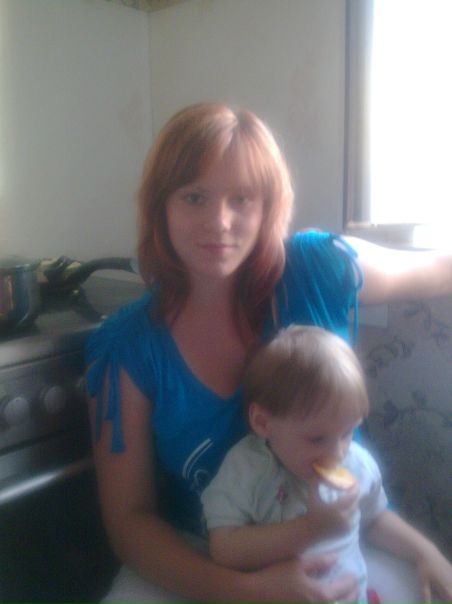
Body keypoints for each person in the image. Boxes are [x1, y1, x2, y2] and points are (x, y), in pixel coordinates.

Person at [86, 102, 452, 604]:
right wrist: (245, 591)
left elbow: (437, 270)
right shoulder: (127, 348)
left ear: (268, 206)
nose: (219, 221)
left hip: (341, 542)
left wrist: (425, 552)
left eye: (241, 199)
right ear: (160, 206)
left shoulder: (317, 269)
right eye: (194, 197)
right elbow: (130, 523)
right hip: (203, 560)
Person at [201, 324, 452, 604]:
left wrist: (427, 554)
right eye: (317, 439)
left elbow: (375, 519)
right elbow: (224, 549)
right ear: (263, 423)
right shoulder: (246, 469)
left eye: (347, 432)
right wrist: (313, 528)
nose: (337, 453)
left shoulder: (357, 464)